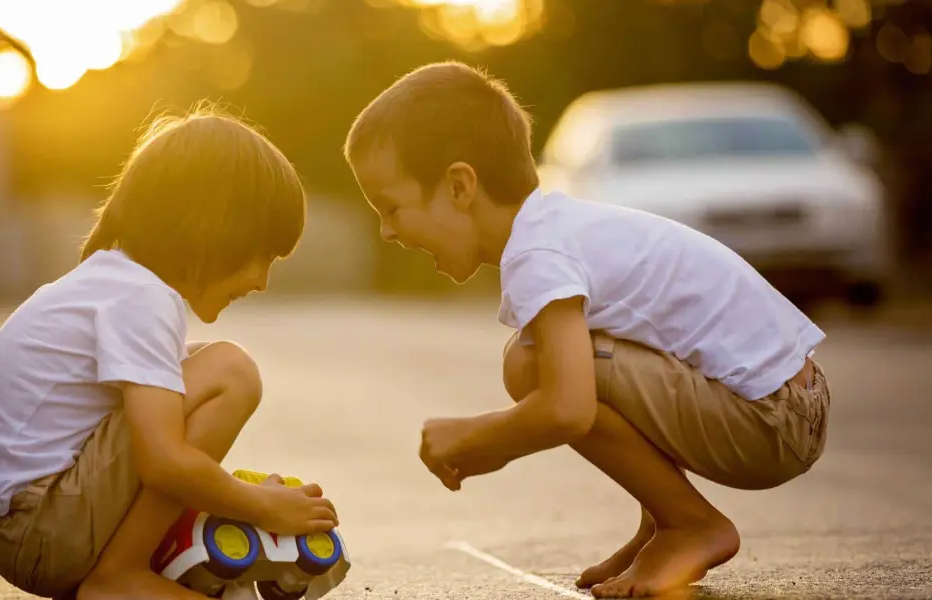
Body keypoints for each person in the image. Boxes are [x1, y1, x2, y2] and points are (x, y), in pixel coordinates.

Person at [342, 61, 831, 598]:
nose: (387, 231)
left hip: (769, 420)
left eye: (391, 208)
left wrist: (481, 438)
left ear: (460, 186)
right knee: (543, 358)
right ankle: (664, 525)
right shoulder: (558, 228)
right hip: (788, 402)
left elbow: (567, 408)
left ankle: (690, 524)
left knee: (532, 368)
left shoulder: (538, 254)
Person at [0, 108, 338, 600]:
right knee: (231, 371)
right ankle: (120, 575)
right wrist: (261, 507)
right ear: (216, 229)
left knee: (195, 367)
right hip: (38, 527)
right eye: (263, 256)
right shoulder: (141, 297)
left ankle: (129, 564)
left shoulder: (118, 284)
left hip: (28, 522)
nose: (262, 282)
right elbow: (162, 461)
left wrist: (234, 497)